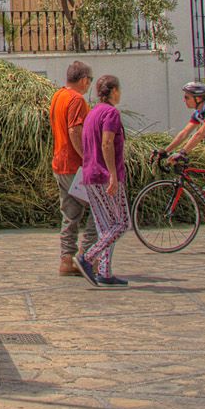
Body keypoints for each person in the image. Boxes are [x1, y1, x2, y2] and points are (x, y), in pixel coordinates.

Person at [73, 73, 131, 287]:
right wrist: (113, 175)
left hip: (90, 174)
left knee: (105, 226)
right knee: (122, 223)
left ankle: (104, 272)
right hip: (106, 176)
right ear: (114, 91)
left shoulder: (93, 113)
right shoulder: (111, 114)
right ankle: (88, 257)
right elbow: (107, 144)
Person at [48, 61, 97, 278]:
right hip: (74, 165)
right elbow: (75, 131)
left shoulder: (58, 96)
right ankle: (86, 256)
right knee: (100, 209)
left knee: (69, 214)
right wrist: (89, 159)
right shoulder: (77, 100)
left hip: (59, 163)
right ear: (84, 79)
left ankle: (66, 260)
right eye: (90, 81)